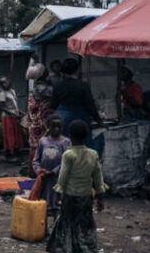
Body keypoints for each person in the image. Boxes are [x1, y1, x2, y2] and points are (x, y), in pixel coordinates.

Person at [46, 120, 108, 252]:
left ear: (70, 136)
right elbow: (98, 178)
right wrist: (100, 198)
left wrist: (57, 194)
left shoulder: (68, 155)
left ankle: (69, 247)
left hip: (70, 196)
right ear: (85, 136)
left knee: (68, 221)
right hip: (85, 196)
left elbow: (62, 177)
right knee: (84, 223)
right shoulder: (93, 154)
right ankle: (85, 246)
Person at [50, 58, 103, 149]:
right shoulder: (83, 85)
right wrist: (99, 121)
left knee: (64, 147)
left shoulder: (58, 86)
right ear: (78, 70)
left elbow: (53, 105)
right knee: (83, 147)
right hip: (80, 118)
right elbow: (90, 105)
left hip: (62, 119)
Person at [30, 115, 71, 210]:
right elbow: (36, 160)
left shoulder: (66, 142)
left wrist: (53, 172)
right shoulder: (43, 141)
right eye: (53, 126)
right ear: (48, 127)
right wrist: (39, 171)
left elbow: (67, 161)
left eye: (59, 126)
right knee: (43, 206)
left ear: (62, 127)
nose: (56, 129)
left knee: (59, 205)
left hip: (59, 179)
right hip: (44, 180)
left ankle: (58, 223)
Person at [26, 63, 55, 176]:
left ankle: (33, 171)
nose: (48, 73)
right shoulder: (42, 87)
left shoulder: (37, 86)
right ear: (42, 74)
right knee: (40, 146)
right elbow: (56, 93)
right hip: (41, 122)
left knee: (36, 146)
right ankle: (36, 172)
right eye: (46, 71)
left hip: (35, 122)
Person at [0, 76, 25, 158]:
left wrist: (22, 112)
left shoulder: (12, 91)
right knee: (10, 135)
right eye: (4, 82)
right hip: (7, 118)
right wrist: (13, 113)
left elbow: (14, 105)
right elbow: (2, 107)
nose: (7, 83)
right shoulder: (2, 94)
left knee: (16, 134)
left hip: (14, 116)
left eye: (7, 81)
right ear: (1, 85)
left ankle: (16, 152)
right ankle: (9, 154)